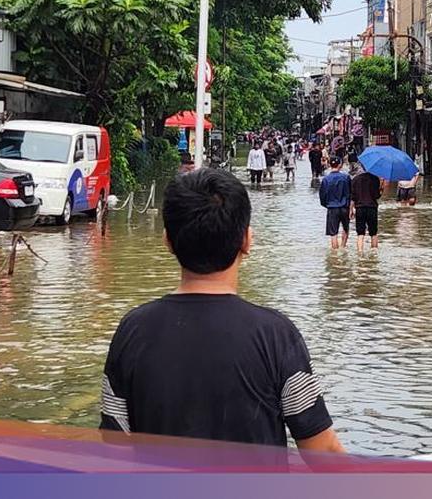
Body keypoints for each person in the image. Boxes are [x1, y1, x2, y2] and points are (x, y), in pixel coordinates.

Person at [99, 170, 345, 457]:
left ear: (167, 241)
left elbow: (114, 445)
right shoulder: (276, 335)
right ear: (246, 240)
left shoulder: (132, 331)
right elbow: (322, 449)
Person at [318, 157, 352, 250]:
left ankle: (335, 253)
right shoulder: (346, 177)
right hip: (345, 207)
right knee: (345, 229)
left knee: (333, 233)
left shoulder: (326, 179)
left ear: (329, 165)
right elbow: (350, 193)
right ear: (340, 165)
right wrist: (351, 207)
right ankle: (343, 247)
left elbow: (322, 196)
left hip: (332, 208)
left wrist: (328, 205)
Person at [350, 165, 383, 253]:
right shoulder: (375, 179)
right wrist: (381, 189)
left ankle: (360, 253)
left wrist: (350, 210)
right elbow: (377, 196)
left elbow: (353, 197)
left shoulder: (355, 179)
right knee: (373, 233)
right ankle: (374, 253)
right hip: (372, 208)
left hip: (360, 208)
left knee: (360, 234)